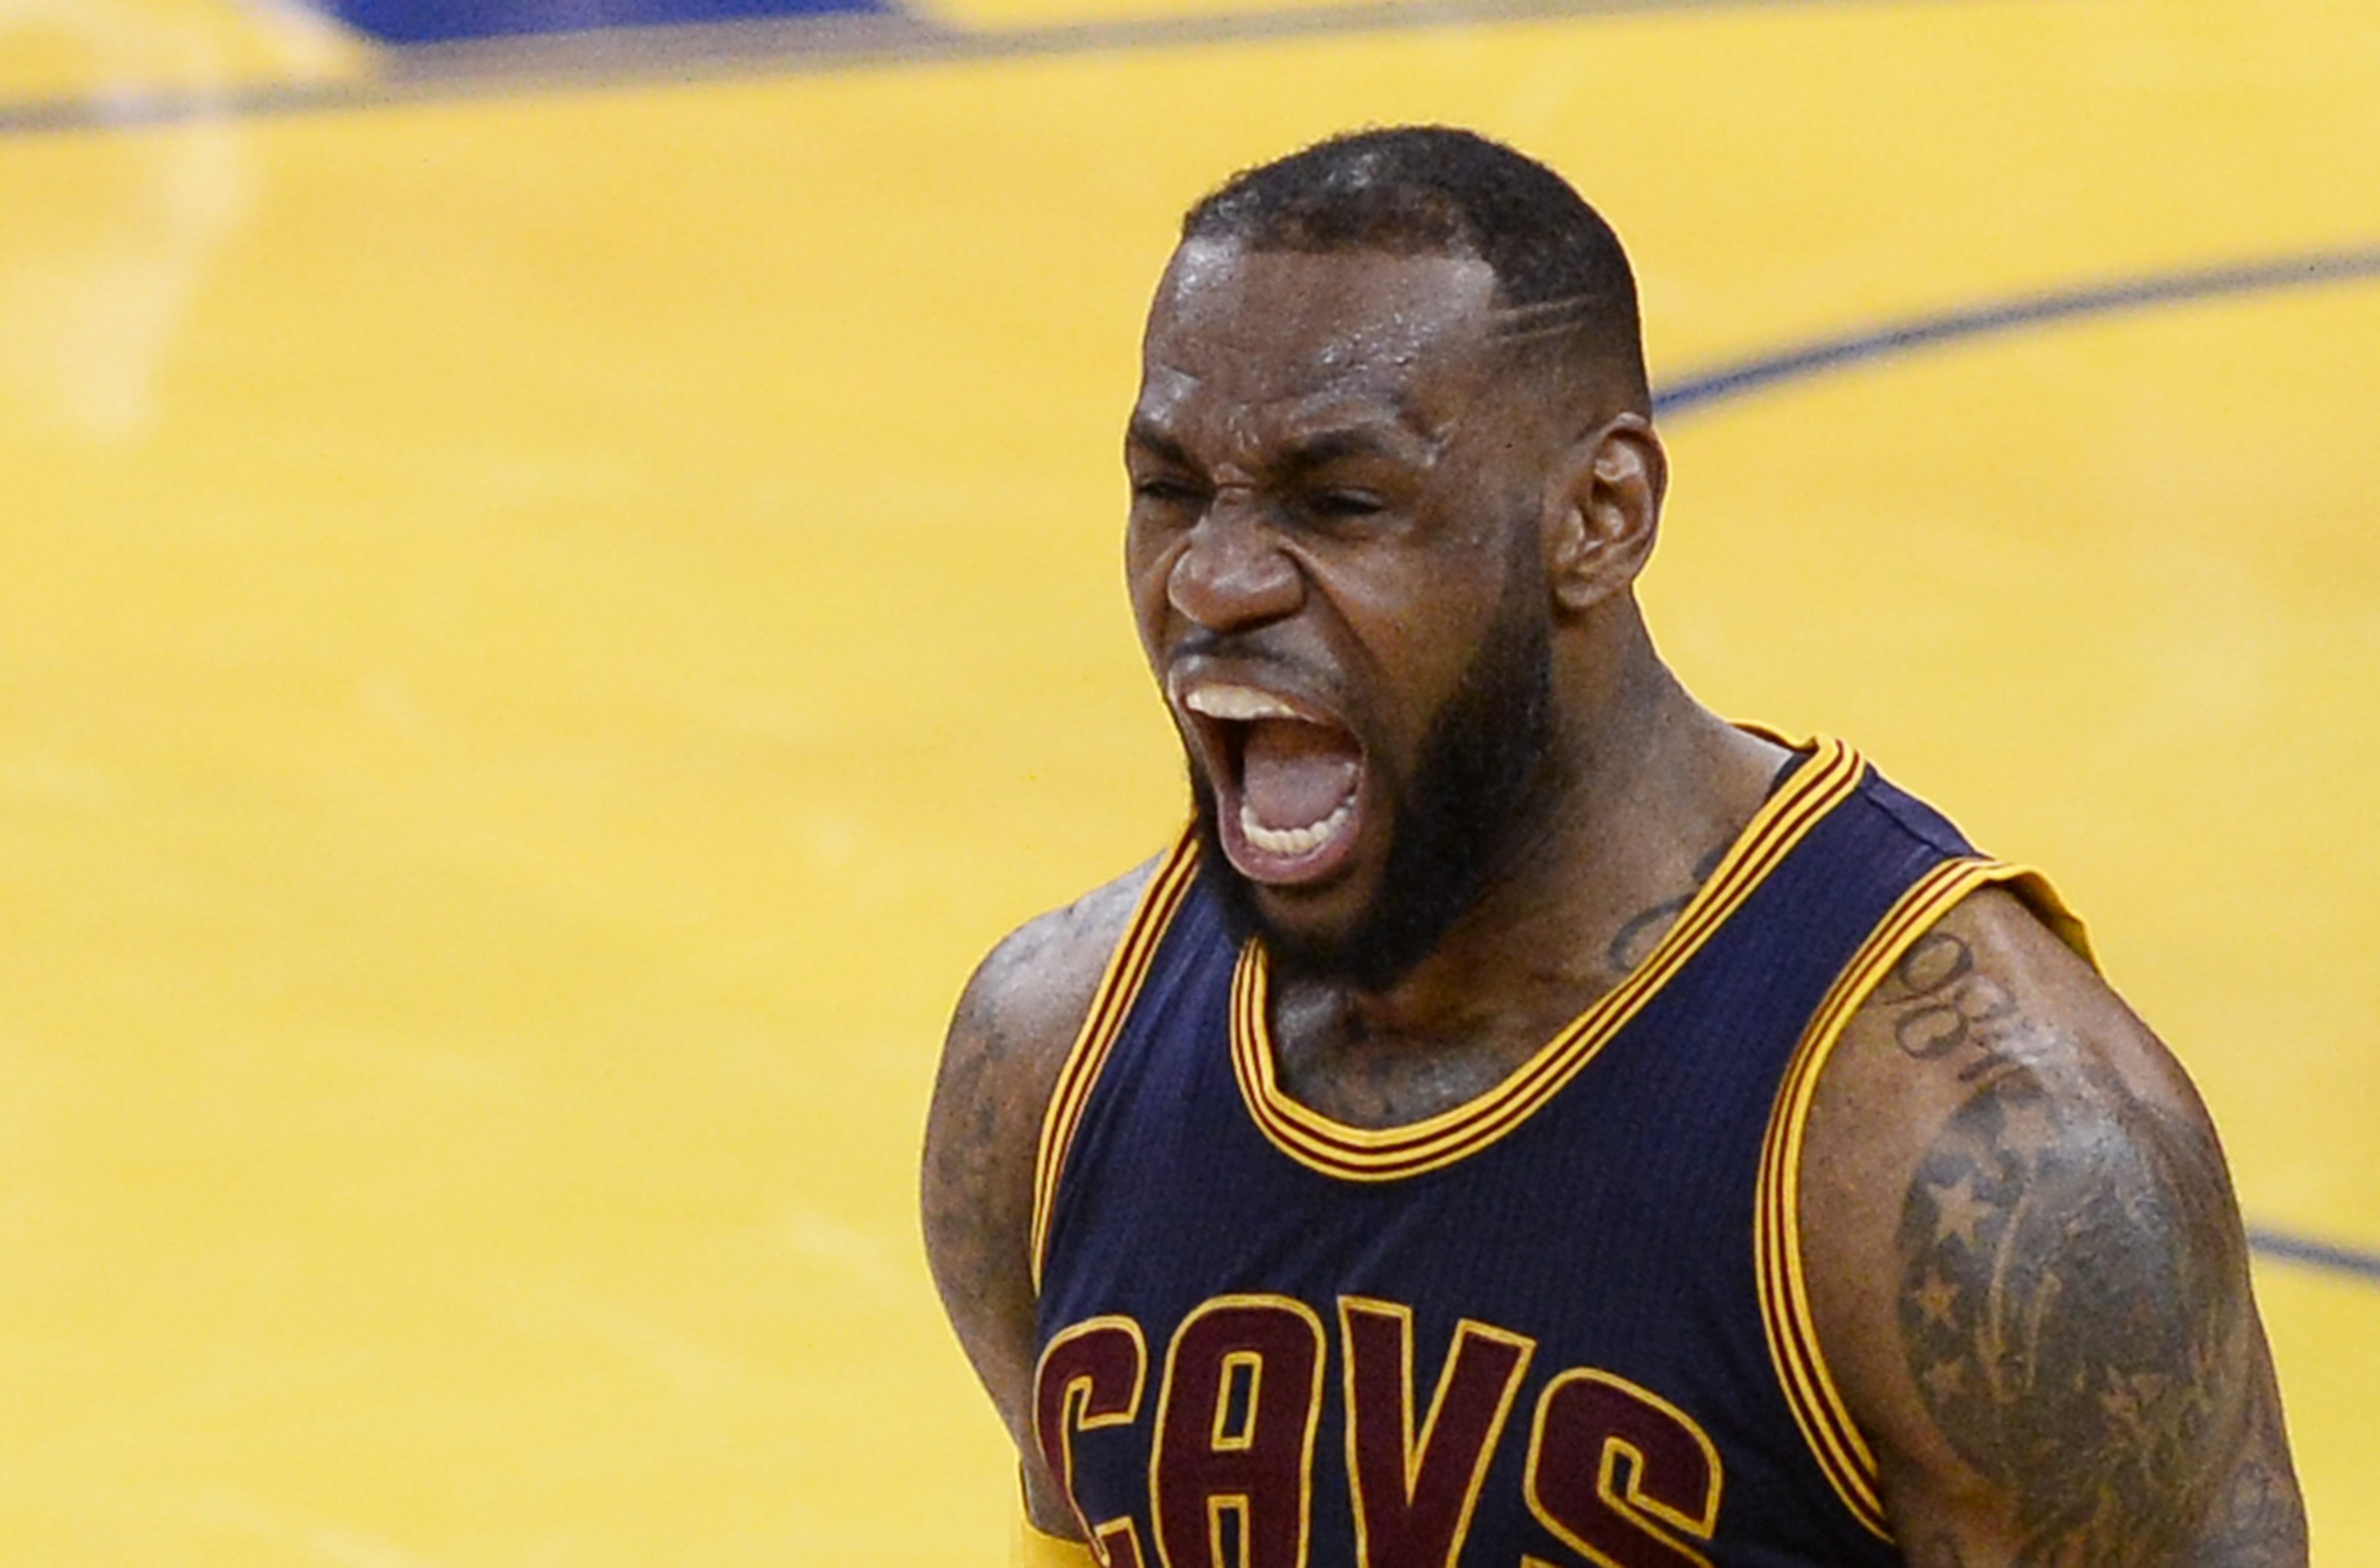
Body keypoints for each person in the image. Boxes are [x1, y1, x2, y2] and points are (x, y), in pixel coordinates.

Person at [920, 126, 2307, 1568]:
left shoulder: (1969, 1170)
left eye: (1341, 501)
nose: (1213, 576)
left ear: (1602, 515)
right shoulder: (1046, 1065)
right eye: (1170, 490)